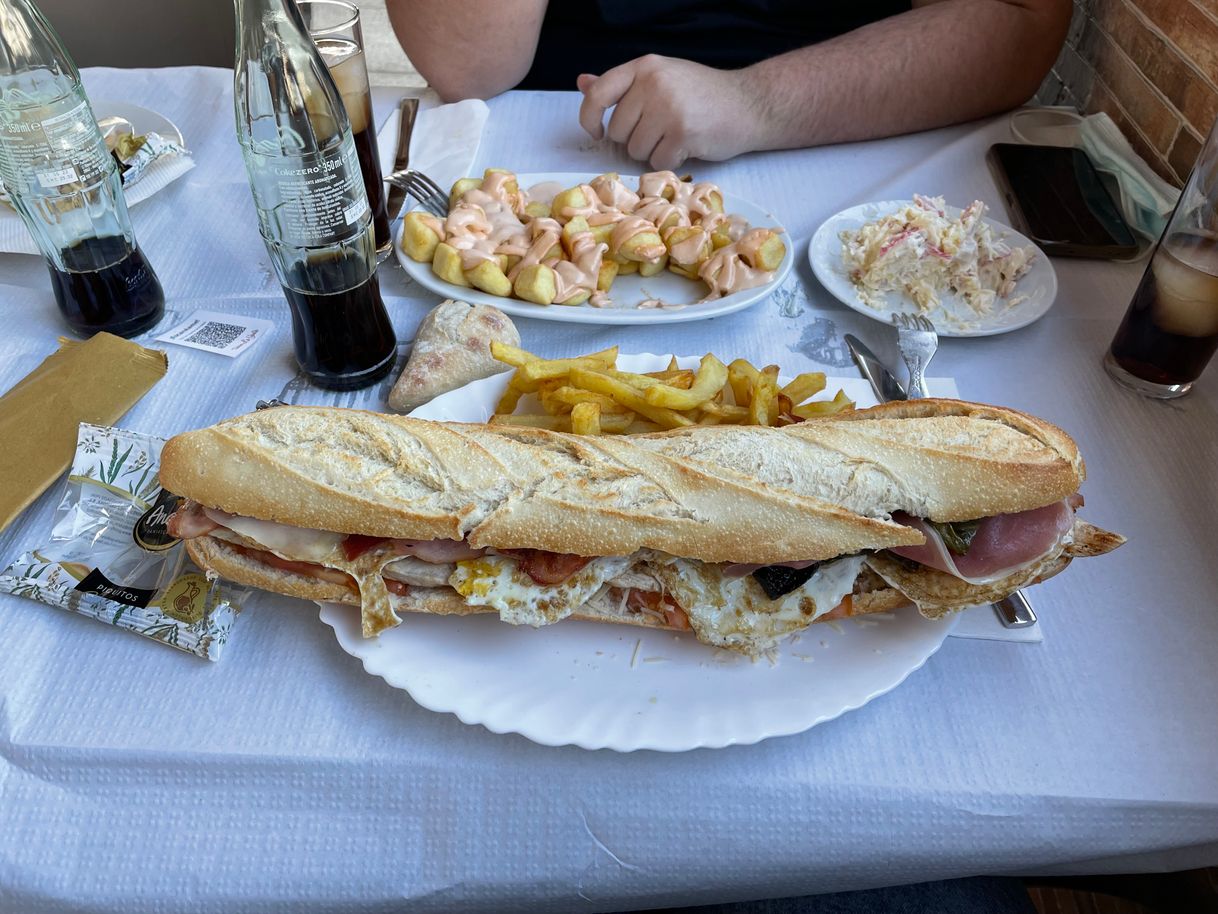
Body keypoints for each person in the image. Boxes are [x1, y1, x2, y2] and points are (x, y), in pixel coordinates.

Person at [386, 0, 1071, 170]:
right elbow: (467, 64)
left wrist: (756, 102)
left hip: (857, 139)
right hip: (555, 150)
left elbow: (1018, 23)